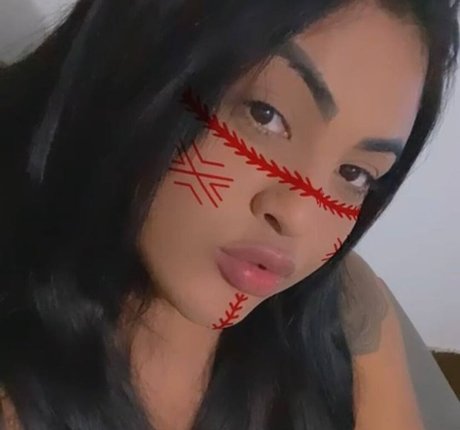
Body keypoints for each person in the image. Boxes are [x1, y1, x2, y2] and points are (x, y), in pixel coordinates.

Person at [0, 0, 458, 429]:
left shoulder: (343, 312)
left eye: (355, 174)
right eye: (265, 114)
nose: (299, 217)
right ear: (139, 54)